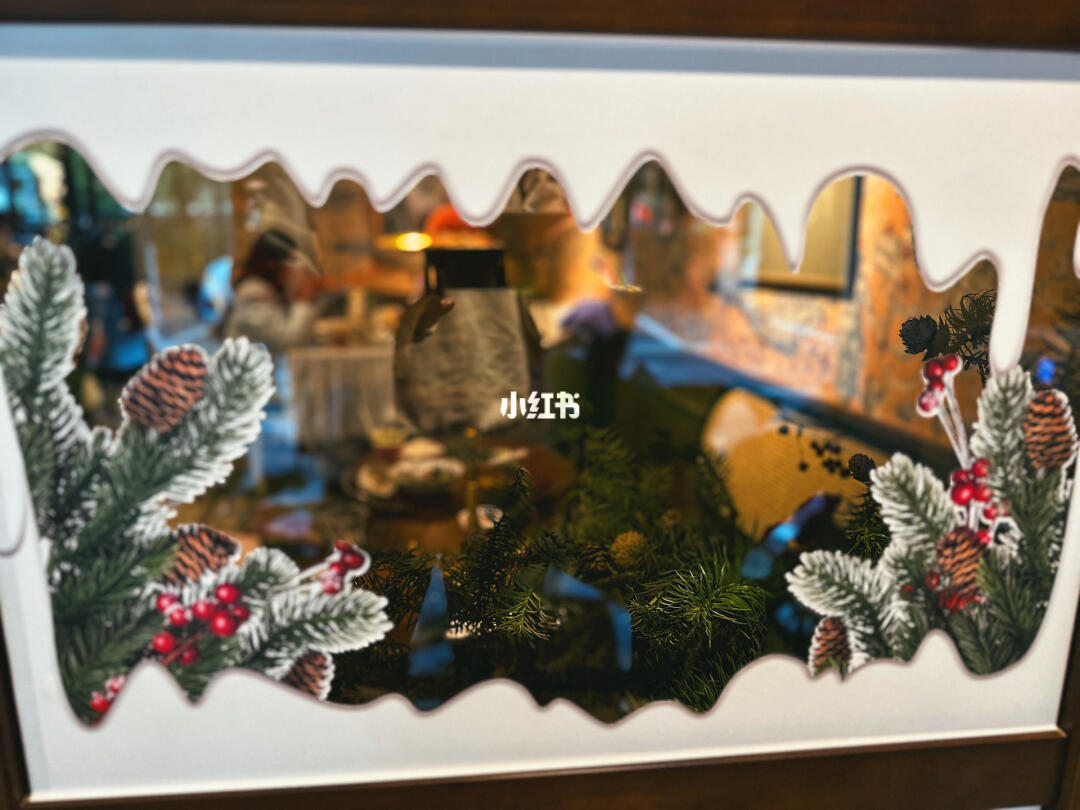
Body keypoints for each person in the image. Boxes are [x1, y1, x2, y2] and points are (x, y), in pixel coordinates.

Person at [223, 228, 320, 355]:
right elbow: (288, 340)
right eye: (287, 269)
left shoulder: (263, 290)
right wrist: (303, 299)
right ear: (273, 266)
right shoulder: (253, 294)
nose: (293, 274)